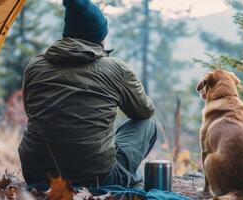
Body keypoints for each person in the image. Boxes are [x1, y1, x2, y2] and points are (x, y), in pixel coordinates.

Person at [18, 0, 157, 189]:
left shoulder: (35, 66)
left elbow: (31, 111)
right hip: (96, 179)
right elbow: (144, 111)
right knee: (147, 125)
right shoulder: (116, 69)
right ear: (100, 36)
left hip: (37, 175)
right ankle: (127, 178)